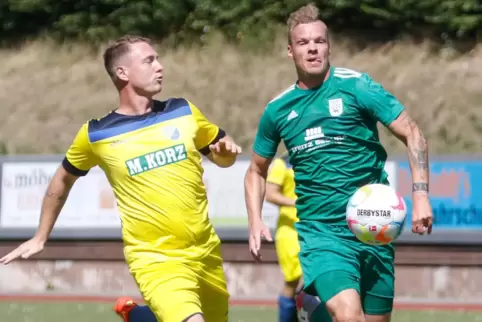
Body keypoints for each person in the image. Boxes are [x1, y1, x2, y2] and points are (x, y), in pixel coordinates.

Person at [0, 35, 242, 322]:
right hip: (154, 259)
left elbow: (223, 156)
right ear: (122, 72)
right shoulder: (97, 135)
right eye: (149, 60)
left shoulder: (183, 111)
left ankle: (137, 317)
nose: (160, 66)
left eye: (158, 59)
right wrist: (41, 237)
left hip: (205, 250)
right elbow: (61, 181)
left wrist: (225, 153)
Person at [244, 3, 433, 322]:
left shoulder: (358, 86)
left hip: (376, 227)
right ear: (290, 51)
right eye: (304, 43)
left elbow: (412, 133)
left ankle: (314, 312)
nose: (313, 48)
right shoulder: (278, 110)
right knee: (349, 316)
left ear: (329, 45)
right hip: (322, 231)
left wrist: (421, 195)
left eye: (320, 41)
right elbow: (255, 171)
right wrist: (254, 220)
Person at [266, 152, 302, 322]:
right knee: (293, 280)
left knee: (316, 279)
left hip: (315, 228)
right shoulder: (283, 164)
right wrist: (297, 202)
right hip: (290, 230)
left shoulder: (318, 157)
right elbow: (271, 194)